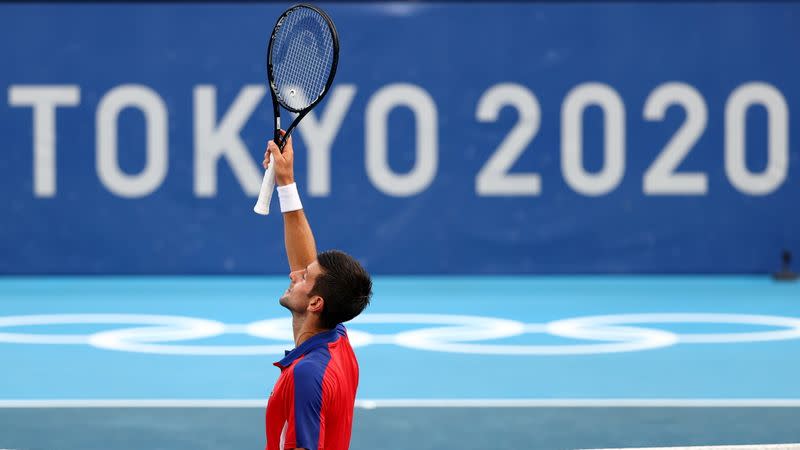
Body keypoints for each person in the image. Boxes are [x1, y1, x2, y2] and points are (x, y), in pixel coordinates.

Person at [262, 131, 372, 450]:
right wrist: (286, 183)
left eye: (304, 278)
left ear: (315, 303)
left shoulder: (307, 374)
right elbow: (306, 262)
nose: (294, 272)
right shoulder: (336, 340)